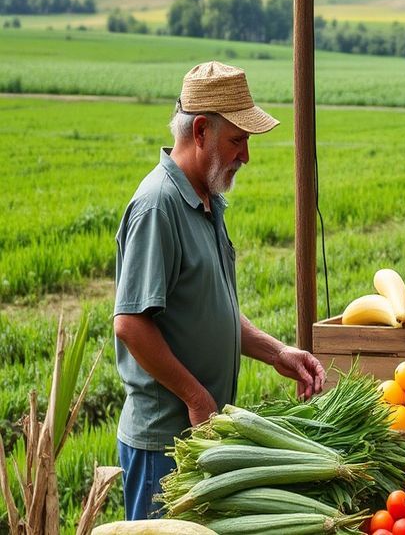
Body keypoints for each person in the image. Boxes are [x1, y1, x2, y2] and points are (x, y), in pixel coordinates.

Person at [114, 62, 327, 520]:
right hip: (163, 445)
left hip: (200, 439)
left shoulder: (206, 201)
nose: (246, 155)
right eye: (238, 140)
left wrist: (276, 352)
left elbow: (211, 310)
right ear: (200, 132)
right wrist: (197, 398)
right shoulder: (158, 206)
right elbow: (131, 324)